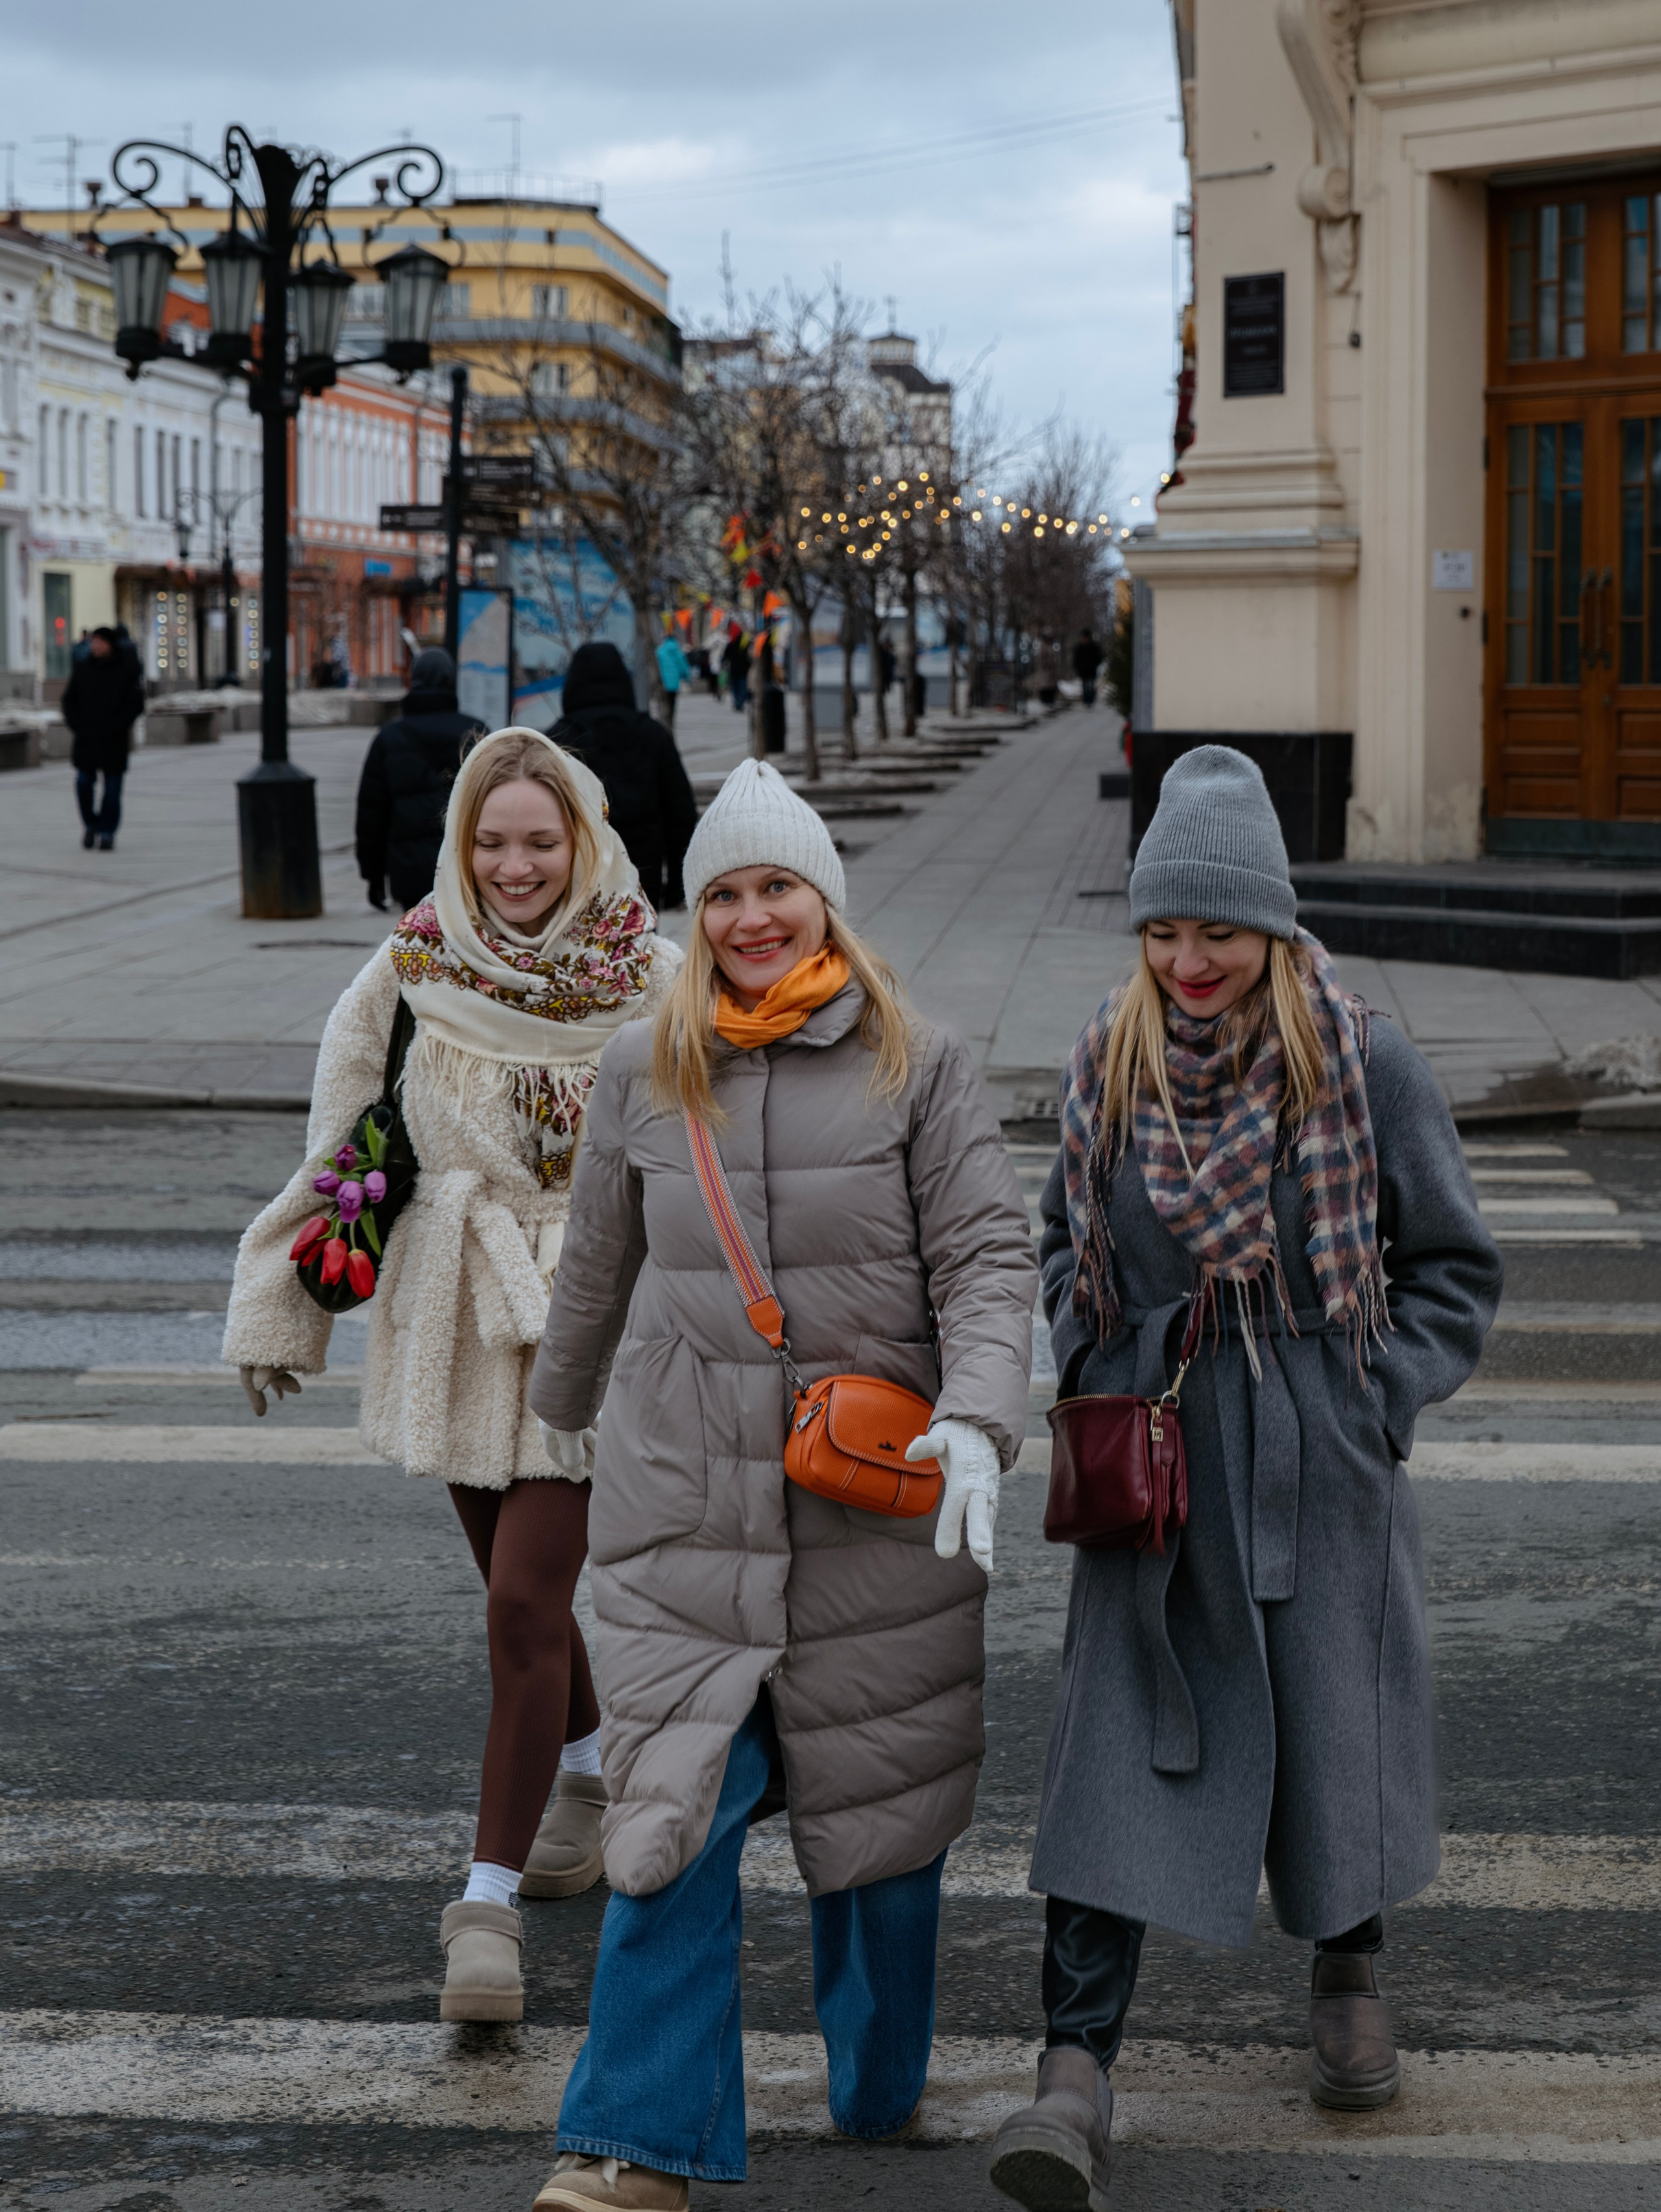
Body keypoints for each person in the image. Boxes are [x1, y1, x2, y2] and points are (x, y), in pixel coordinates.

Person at [988, 747, 1501, 2211]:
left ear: (1268, 930)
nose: (1187, 959)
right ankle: (1071, 2069)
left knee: (1333, 1731)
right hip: (1155, 1467)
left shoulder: (1362, 1062)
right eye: (1162, 929)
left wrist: (1371, 1401)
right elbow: (1055, 1245)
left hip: (1312, 1456)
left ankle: (1348, 1969)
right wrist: (1096, 1360)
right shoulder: (1109, 1058)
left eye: (1213, 930)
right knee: (1120, 1745)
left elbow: (1452, 1269)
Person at [525, 757, 1037, 2210]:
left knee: (877, 1843)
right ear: (696, 912)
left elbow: (989, 1266)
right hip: (683, 1513)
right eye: (726, 892)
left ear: (825, 897)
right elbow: (595, 1273)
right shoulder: (644, 1063)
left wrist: (981, 1418)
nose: (753, 916)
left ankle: (877, 2077)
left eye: (777, 887)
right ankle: (633, 2145)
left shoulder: (914, 1061)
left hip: (875, 1511)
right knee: (665, 1823)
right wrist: (544, 1433)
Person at [222, 727, 683, 2025]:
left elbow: (735, 1153)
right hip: (452, 1316)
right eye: (491, 841)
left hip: (597, 1322)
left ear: (582, 840)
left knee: (522, 1609)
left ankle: (481, 1907)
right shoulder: (409, 972)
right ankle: (584, 1774)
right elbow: (340, 1147)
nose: (515, 864)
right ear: (459, 845)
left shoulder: (653, 975)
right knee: (515, 1592)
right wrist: (282, 1308)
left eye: (539, 839)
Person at [550, 641, 697, 913]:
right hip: (643, 873)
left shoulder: (559, 739)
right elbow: (681, 813)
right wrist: (679, 883)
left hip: (577, 876)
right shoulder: (653, 734)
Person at [354, 647, 487, 913]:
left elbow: (372, 813)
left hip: (409, 870)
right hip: (465, 866)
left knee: (419, 947)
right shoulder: (476, 733)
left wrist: (373, 873)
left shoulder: (389, 738)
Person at [62, 626, 144, 851]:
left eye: (100, 642)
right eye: (94, 642)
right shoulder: (83, 669)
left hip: (113, 739)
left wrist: (119, 725)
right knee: (83, 784)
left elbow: (136, 703)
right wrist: (76, 724)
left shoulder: (126, 670)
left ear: (111, 645)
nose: (95, 646)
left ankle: (107, 832)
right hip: (87, 738)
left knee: (112, 791)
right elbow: (69, 700)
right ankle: (91, 824)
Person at [653, 630, 690, 732]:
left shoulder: (660, 650)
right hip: (674, 681)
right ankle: (671, 718)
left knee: (664, 701)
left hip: (663, 681)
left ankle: (665, 719)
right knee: (672, 701)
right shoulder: (678, 651)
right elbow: (683, 665)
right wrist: (687, 677)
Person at [721, 623, 751, 714]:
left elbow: (726, 656)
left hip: (734, 669)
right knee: (742, 687)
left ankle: (737, 702)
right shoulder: (745, 642)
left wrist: (723, 663)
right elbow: (748, 656)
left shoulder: (732, 642)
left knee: (735, 688)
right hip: (743, 669)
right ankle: (740, 703)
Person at [1071, 628, 1104, 709]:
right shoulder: (1079, 648)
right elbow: (1076, 659)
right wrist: (1077, 667)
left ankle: (1091, 701)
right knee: (1085, 686)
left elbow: (1099, 658)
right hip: (1083, 671)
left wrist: (1094, 665)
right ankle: (1086, 701)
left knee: (1091, 686)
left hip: (1091, 670)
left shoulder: (1094, 647)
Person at [1033, 634, 1061, 710]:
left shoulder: (1048, 646)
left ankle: (1049, 703)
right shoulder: (1043, 646)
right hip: (1045, 671)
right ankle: (1046, 703)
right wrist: (1047, 664)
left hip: (1049, 672)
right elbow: (1041, 659)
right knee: (1045, 687)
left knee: (1050, 687)